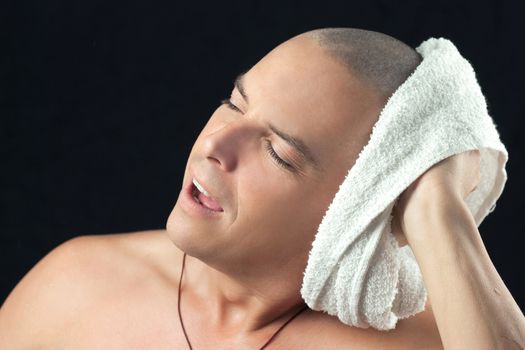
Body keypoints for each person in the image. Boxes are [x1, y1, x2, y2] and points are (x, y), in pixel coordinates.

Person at [1, 27, 524, 349]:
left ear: (352, 209)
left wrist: (437, 209)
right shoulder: (75, 284)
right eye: (234, 102)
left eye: (277, 152)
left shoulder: (433, 342)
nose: (215, 145)